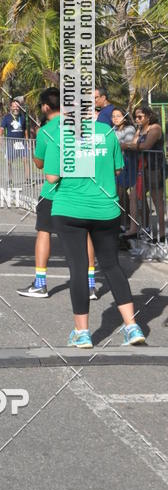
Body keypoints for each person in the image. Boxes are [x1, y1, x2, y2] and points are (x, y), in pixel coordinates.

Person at [44, 116, 146, 348]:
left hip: (70, 209)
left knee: (78, 268)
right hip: (105, 209)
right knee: (111, 265)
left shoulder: (59, 135)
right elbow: (118, 169)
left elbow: (51, 177)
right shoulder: (107, 132)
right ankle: (132, 327)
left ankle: (82, 332)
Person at [17, 88, 97, 300]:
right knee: (85, 234)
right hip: (82, 190)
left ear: (45, 107)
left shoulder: (45, 131)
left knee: (44, 232)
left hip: (53, 192)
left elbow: (40, 162)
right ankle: (90, 285)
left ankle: (40, 283)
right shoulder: (82, 127)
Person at [124, 105, 166, 244]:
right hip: (142, 169)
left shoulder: (155, 128)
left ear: (148, 116)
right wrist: (131, 145)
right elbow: (135, 143)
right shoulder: (140, 129)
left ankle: (161, 233)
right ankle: (133, 228)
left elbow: (145, 146)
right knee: (134, 196)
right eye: (135, 117)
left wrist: (127, 145)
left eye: (140, 116)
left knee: (157, 200)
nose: (137, 119)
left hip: (155, 168)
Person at [111, 108, 138, 238]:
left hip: (129, 164)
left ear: (125, 117)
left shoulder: (130, 129)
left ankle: (137, 224)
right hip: (117, 165)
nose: (115, 118)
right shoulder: (113, 130)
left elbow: (128, 144)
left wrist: (116, 146)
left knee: (132, 196)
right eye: (113, 116)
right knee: (120, 195)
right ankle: (123, 223)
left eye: (118, 116)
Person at [0, 99, 28, 184]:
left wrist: (27, 140)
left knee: (26, 160)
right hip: (10, 142)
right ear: (11, 107)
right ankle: (10, 179)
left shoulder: (22, 117)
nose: (16, 108)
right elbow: (2, 129)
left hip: (21, 143)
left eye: (17, 106)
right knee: (9, 162)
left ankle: (28, 179)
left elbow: (25, 130)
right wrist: (0, 138)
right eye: (14, 106)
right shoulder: (7, 117)